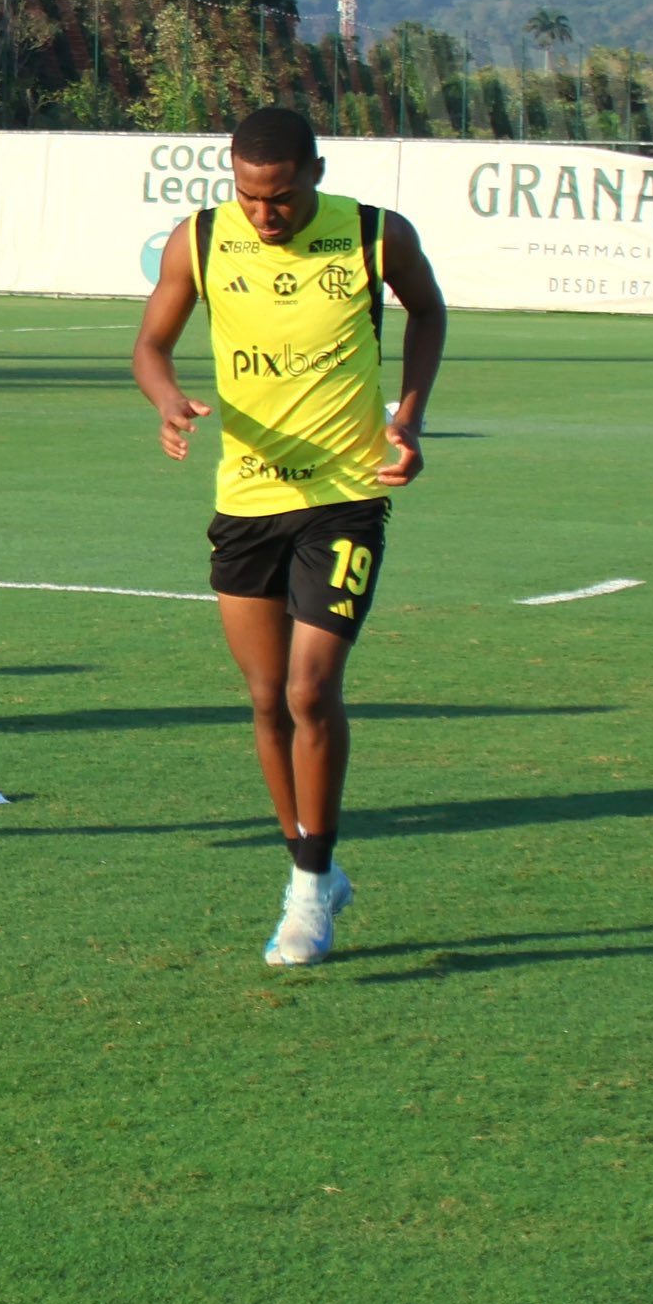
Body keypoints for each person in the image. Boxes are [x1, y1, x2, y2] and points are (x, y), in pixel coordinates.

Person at [129, 103, 448, 965]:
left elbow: (427, 312)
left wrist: (408, 418)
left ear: (315, 172)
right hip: (246, 498)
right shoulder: (198, 240)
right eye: (249, 197)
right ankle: (309, 861)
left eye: (279, 198)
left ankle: (308, 890)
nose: (264, 215)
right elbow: (151, 346)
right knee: (267, 699)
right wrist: (165, 399)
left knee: (311, 691)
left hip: (346, 495)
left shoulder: (376, 236)